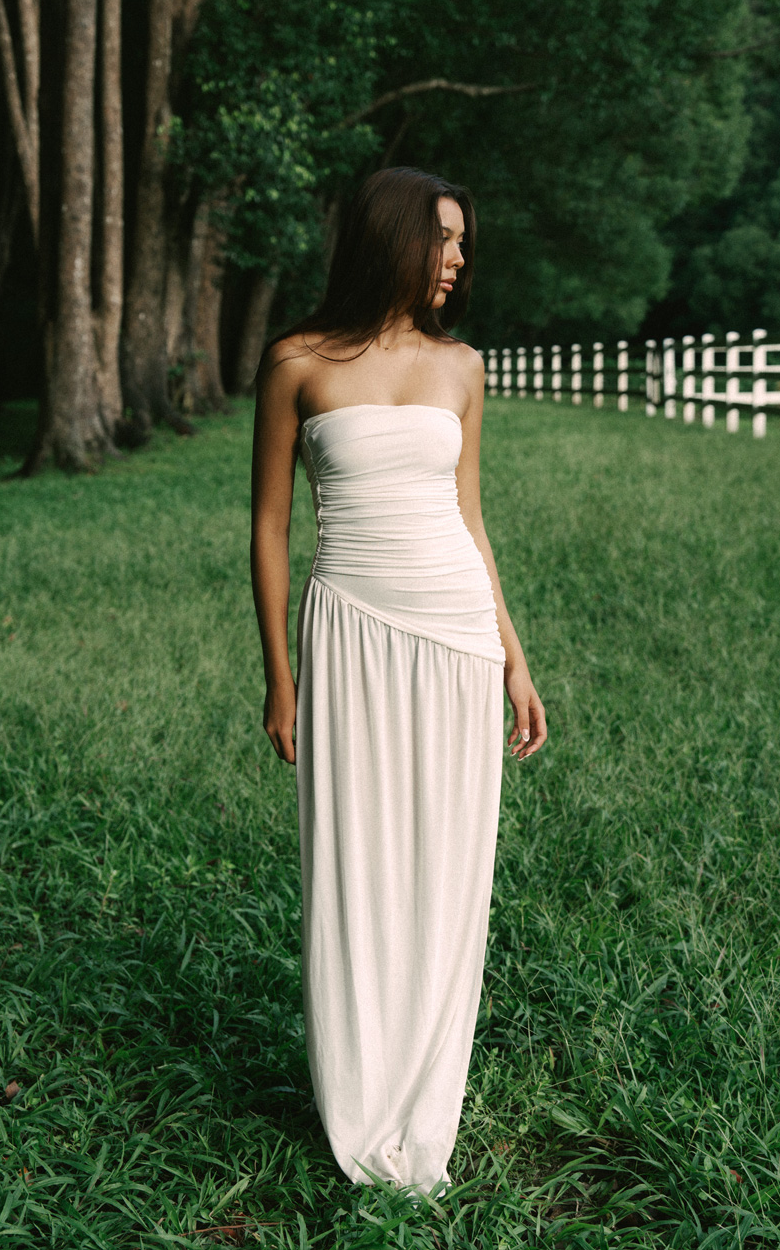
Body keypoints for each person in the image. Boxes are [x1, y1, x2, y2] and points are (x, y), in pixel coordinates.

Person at [248, 166, 547, 1195]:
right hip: (349, 633)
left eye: (462, 241)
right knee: (355, 862)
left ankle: (425, 1095)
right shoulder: (294, 360)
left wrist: (511, 653)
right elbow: (269, 527)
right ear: (391, 238)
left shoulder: (460, 368)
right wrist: (277, 678)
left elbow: (469, 518)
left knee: (446, 866)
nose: (460, 258)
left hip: (456, 630)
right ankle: (359, 1096)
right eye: (447, 238)